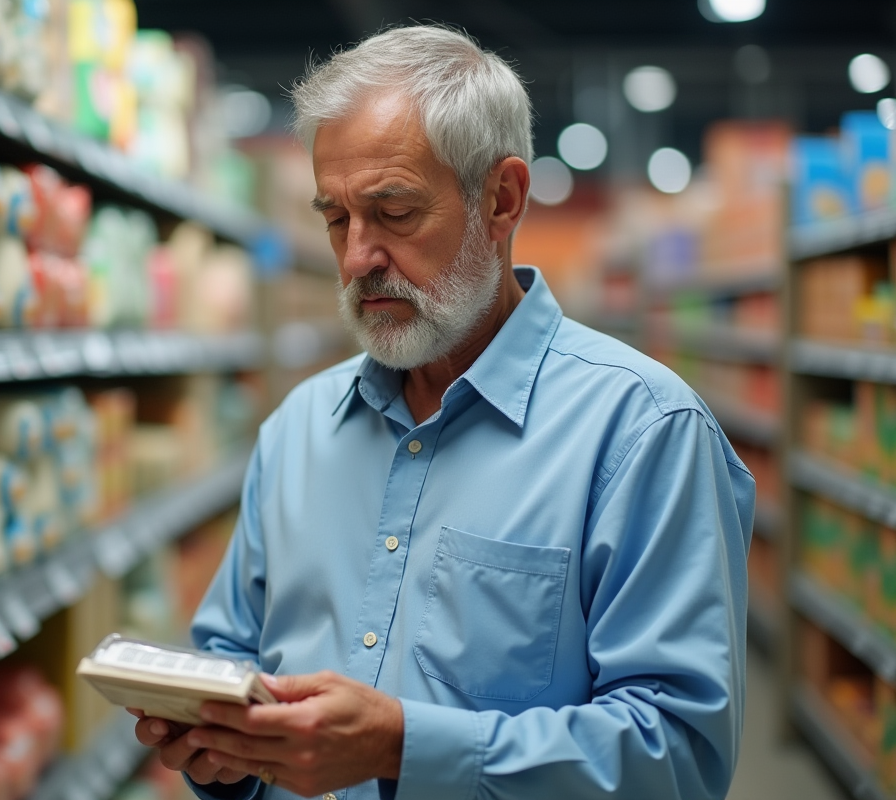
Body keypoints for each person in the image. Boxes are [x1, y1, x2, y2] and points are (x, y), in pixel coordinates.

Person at [132, 23, 753, 800]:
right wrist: (217, 747)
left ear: (502, 199)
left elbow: (680, 755)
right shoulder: (297, 428)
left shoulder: (642, 433)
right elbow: (231, 649)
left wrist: (403, 746)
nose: (358, 257)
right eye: (336, 218)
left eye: (393, 213)